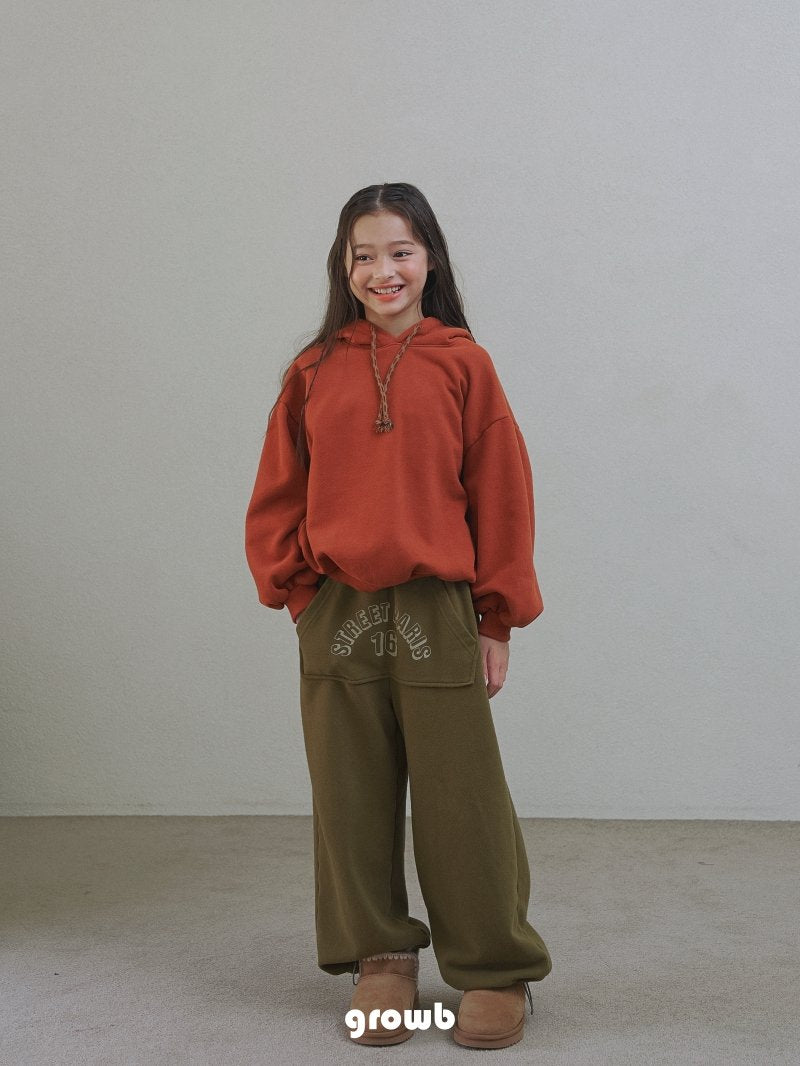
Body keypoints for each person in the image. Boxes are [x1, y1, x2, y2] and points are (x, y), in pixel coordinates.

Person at [244, 182, 552, 1049]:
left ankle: (494, 968)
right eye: (365, 255)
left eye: (401, 252)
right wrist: (299, 596)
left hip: (437, 605)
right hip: (337, 607)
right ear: (344, 267)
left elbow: (502, 496)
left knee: (463, 797)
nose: (383, 270)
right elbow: (278, 493)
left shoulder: (463, 365)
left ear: (430, 261)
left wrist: (495, 620)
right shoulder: (312, 372)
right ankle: (379, 958)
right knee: (350, 792)